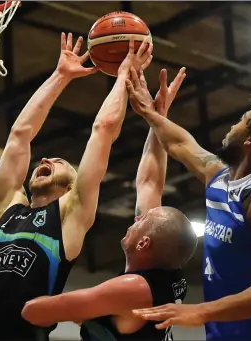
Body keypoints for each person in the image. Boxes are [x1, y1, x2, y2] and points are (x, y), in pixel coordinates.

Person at [0, 33, 153, 341]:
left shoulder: (69, 216)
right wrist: (60, 75)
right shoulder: (5, 209)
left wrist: (122, 76)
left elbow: (103, 131)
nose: (46, 158)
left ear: (71, 186)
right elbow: (19, 135)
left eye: (60, 161)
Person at [126, 68, 251, 340]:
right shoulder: (220, 177)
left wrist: (202, 311)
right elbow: (178, 142)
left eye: (241, 120)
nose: (232, 125)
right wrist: (151, 113)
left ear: (249, 141)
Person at [21, 67, 198, 341]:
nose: (136, 218)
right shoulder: (166, 272)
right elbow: (150, 183)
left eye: (142, 222)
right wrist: (158, 119)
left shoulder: (133, 288)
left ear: (144, 244)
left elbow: (35, 311)